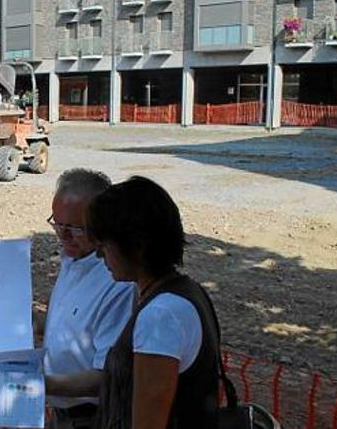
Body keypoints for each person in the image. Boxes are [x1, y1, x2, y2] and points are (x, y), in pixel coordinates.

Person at [88, 176, 222, 429]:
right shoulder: (185, 292)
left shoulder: (161, 315)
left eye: (104, 244)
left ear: (136, 246)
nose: (98, 253)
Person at [42, 169, 136, 429]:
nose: (63, 235)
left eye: (75, 228)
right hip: (60, 413)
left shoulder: (117, 282)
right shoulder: (72, 259)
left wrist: (40, 383)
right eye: (57, 224)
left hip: (90, 417)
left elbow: (106, 376)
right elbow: (70, 322)